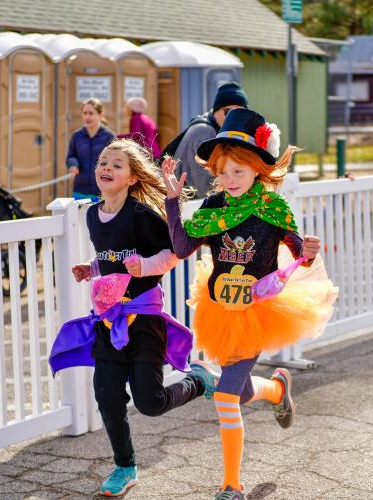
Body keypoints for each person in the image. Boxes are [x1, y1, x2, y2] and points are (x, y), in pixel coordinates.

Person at [163, 108, 337, 499]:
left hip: (258, 311)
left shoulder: (273, 210)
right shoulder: (213, 207)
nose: (229, 179)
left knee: (225, 396)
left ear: (258, 169)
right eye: (223, 171)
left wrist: (308, 250)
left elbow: (298, 255)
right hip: (219, 308)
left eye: (238, 171)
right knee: (236, 391)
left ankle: (231, 484)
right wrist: (173, 202)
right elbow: (181, 247)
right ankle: (276, 390)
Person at [48, 138, 218, 497]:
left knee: (150, 402)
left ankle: (199, 380)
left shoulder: (141, 216)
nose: (106, 168)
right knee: (107, 395)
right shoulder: (93, 214)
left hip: (144, 319)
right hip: (108, 320)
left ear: (132, 178)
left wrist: (143, 267)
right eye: (102, 163)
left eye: (116, 165)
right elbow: (111, 260)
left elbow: (173, 255)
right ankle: (124, 466)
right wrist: (91, 268)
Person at [171, 82, 249, 197]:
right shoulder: (203, 132)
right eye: (229, 112)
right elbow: (205, 186)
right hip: (186, 208)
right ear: (215, 111)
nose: (234, 117)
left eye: (240, 112)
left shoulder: (224, 133)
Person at [66, 98, 116, 202]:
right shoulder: (77, 135)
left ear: (100, 115)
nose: (87, 117)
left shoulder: (109, 136)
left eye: (91, 113)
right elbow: (71, 155)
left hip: (102, 190)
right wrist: (73, 165)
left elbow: (115, 161)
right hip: (80, 189)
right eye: (85, 113)